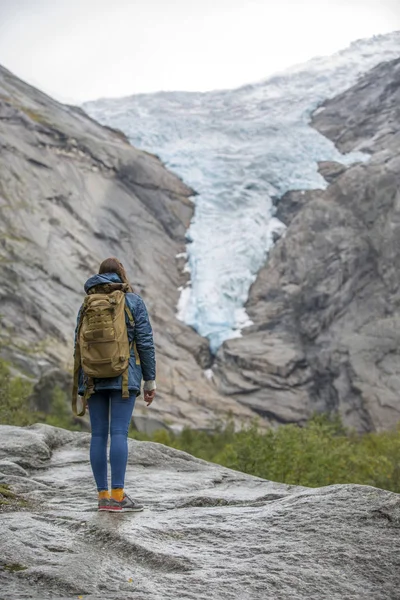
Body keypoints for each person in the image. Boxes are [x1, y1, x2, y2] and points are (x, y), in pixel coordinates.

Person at [73, 257, 156, 512]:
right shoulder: (132, 301)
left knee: (98, 435)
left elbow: (78, 347)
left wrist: (81, 389)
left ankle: (102, 497)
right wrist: (149, 381)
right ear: (122, 275)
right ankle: (118, 496)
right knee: (119, 433)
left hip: (93, 378)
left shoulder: (87, 304)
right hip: (124, 376)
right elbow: (145, 343)